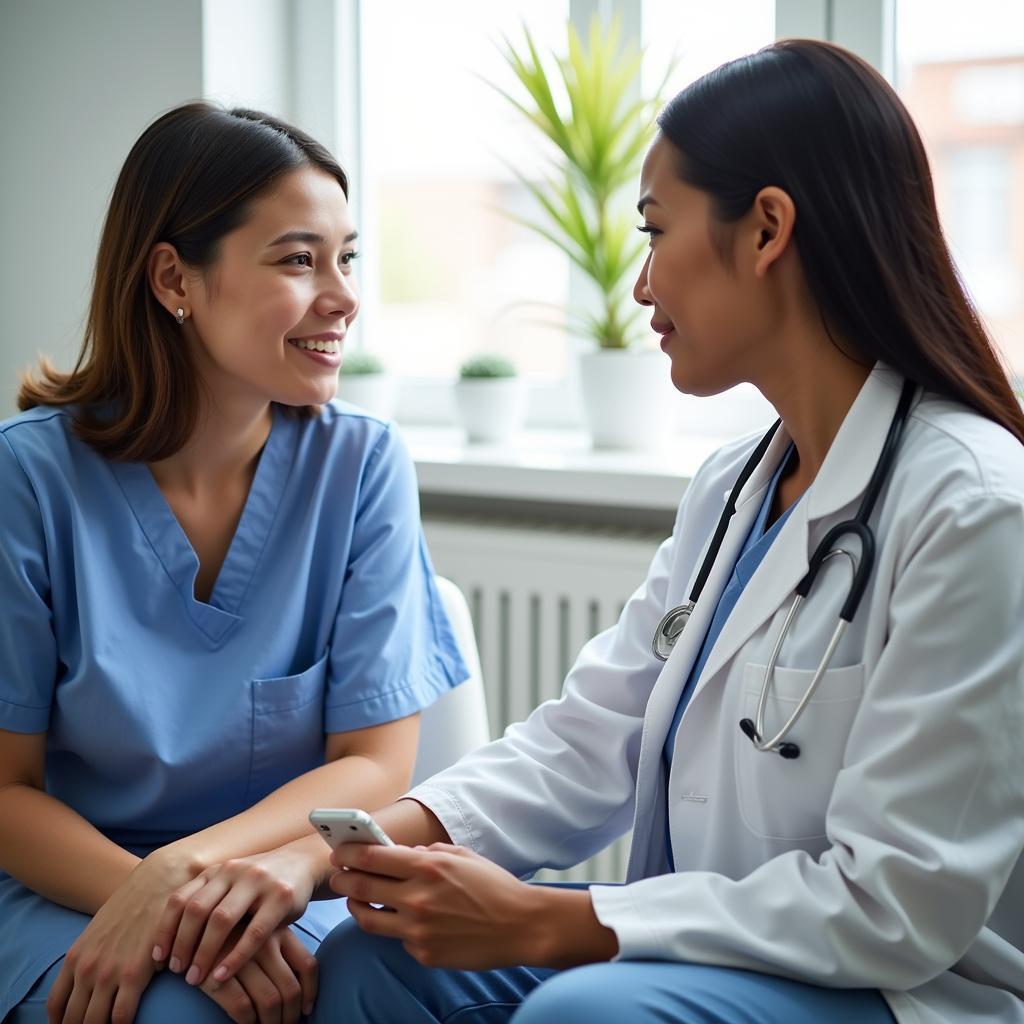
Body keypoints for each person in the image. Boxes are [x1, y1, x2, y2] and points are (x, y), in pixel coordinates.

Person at [148, 39, 1024, 1024]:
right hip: (713, 942)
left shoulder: (974, 506)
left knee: (584, 1013)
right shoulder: (735, 486)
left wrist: (554, 923)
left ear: (767, 229)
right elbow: (583, 742)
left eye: (656, 231)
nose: (641, 285)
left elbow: (899, 902)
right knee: (371, 959)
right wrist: (324, 855)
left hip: (891, 983)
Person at [0, 102, 468, 1024]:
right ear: (175, 277)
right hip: (72, 889)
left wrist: (191, 876)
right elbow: (4, 792)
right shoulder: (28, 479)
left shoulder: (363, 466)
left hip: (292, 887)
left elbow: (376, 761)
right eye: (299, 259)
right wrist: (164, 901)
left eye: (347, 257)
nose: (342, 295)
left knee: (389, 993)